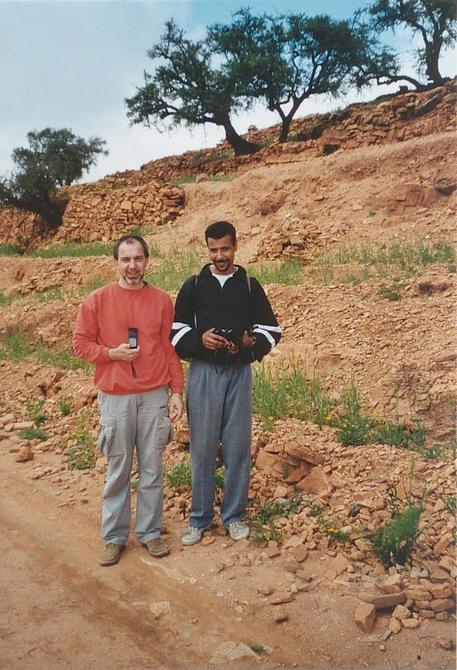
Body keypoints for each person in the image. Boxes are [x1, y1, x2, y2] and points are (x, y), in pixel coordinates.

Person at [73, 234, 184, 566]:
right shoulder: (97, 300)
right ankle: (114, 537)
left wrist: (177, 391)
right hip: (115, 398)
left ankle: (150, 533)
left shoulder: (162, 301)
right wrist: (111, 353)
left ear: (147, 261)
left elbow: (169, 348)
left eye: (138, 259)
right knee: (118, 468)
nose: (132, 266)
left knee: (152, 467)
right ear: (115, 262)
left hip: (154, 396)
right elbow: (80, 344)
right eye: (126, 259)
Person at [171, 221, 281, 545]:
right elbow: (175, 332)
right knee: (203, 447)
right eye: (214, 250)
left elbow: (272, 330)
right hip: (204, 373)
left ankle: (234, 516)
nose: (220, 256)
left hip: (238, 374)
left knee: (237, 446)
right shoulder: (194, 285)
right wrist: (199, 338)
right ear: (207, 249)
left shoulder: (249, 284)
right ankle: (200, 518)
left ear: (235, 246)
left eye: (225, 249)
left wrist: (250, 342)